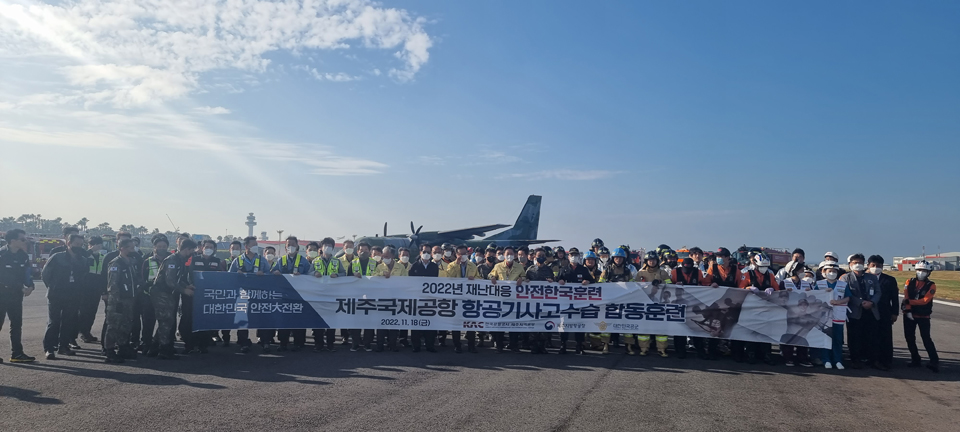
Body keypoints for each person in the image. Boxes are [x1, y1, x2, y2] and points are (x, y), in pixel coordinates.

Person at [40, 233, 88, 360]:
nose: (78, 246)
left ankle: (64, 346)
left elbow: (83, 277)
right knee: (53, 322)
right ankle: (49, 349)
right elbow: (45, 274)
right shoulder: (57, 257)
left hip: (73, 295)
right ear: (68, 243)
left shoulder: (82, 260)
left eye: (81, 244)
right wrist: (52, 287)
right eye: (76, 244)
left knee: (68, 322)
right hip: (56, 294)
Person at [150, 239, 197, 360]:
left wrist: (186, 285)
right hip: (161, 293)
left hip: (168, 293)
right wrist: (184, 290)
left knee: (166, 321)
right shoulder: (172, 260)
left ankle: (154, 347)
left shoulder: (180, 260)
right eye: (192, 250)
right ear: (186, 249)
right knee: (166, 321)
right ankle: (164, 350)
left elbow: (178, 278)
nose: (192, 253)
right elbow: (170, 281)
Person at [228, 236, 270, 353]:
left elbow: (269, 274)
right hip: (243, 294)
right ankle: (243, 342)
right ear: (246, 247)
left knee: (262, 317)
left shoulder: (262, 260)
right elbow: (229, 276)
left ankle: (265, 341)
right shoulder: (238, 260)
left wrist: (264, 274)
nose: (256, 247)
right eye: (253, 244)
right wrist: (237, 273)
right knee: (242, 318)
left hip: (259, 293)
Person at [0, 229, 37, 363]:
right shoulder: (2, 254)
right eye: (22, 239)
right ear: (12, 241)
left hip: (16, 296)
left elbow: (27, 273)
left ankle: (17, 353)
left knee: (16, 324)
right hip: (1, 294)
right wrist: (20, 287)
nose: (25, 241)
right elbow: (3, 277)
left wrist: (31, 286)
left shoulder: (23, 255)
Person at [840, 253, 882, 370]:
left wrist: (872, 302)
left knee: (872, 337)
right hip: (855, 311)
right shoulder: (845, 278)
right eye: (855, 263)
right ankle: (855, 360)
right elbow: (847, 294)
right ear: (850, 264)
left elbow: (878, 292)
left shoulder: (871, 277)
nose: (858, 265)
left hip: (871, 310)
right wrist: (860, 302)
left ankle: (873, 360)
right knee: (854, 337)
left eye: (860, 263)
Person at [736, 253, 779, 365]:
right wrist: (748, 287)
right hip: (751, 307)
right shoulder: (747, 274)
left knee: (765, 331)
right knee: (751, 331)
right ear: (755, 264)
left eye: (765, 266)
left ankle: (766, 354)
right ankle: (751, 354)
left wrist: (772, 289)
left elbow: (777, 288)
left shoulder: (770, 275)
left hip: (766, 308)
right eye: (761, 266)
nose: (764, 268)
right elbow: (740, 287)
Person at [182, 239, 222, 354]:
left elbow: (221, 277)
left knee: (206, 320)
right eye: (206, 247)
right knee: (190, 319)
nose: (208, 249)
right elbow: (187, 274)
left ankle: (203, 344)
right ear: (202, 248)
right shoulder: (193, 259)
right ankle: (189, 344)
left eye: (211, 247)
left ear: (214, 249)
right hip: (194, 295)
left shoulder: (217, 261)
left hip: (209, 296)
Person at [103, 239, 139, 363]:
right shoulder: (116, 263)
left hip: (130, 299)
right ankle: (109, 350)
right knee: (114, 325)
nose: (132, 250)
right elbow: (112, 284)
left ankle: (123, 347)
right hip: (118, 300)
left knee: (126, 324)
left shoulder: (132, 262)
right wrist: (116, 300)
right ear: (122, 248)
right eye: (130, 248)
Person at [273, 236, 311, 352]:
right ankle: (283, 343)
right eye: (288, 245)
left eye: (293, 245)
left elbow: (310, 275)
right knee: (284, 319)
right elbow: (272, 272)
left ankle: (299, 342)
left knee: (299, 319)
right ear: (285, 247)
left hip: (299, 295)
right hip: (284, 295)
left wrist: (302, 276)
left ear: (297, 247)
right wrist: (276, 272)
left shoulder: (303, 260)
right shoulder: (281, 260)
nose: (290, 247)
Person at [671, 258, 713, 359]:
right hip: (679, 304)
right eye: (685, 266)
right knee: (680, 328)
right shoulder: (674, 272)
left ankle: (700, 350)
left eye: (689, 266)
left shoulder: (697, 272)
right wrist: (674, 285)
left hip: (694, 304)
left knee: (697, 327)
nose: (688, 268)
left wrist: (710, 285)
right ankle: (680, 350)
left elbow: (704, 284)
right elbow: (668, 285)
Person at [902, 261, 939, 373]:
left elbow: (925, 301)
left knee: (926, 338)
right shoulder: (909, 282)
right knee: (909, 338)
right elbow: (906, 296)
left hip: (923, 315)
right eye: (919, 270)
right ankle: (915, 358)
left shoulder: (931, 285)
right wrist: (908, 309)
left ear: (928, 272)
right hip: (909, 314)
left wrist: (910, 302)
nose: (921, 273)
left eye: (924, 271)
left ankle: (934, 361)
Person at [133, 235, 168, 353]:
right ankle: (146, 344)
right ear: (154, 247)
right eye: (159, 246)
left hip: (166, 297)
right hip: (149, 296)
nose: (161, 248)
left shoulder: (171, 260)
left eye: (164, 246)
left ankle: (160, 344)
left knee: (165, 322)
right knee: (148, 322)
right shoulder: (147, 261)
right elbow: (141, 278)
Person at [442, 245, 480, 353]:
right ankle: (457, 345)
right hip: (456, 298)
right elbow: (448, 277)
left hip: (469, 298)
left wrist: (475, 279)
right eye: (460, 254)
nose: (462, 256)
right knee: (456, 323)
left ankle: (471, 345)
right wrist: (457, 264)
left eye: (464, 254)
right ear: (456, 254)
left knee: (470, 322)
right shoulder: (451, 265)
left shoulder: (473, 266)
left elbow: (480, 279)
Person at [488, 246, 526, 353]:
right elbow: (490, 275)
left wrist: (521, 279)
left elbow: (524, 276)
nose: (509, 256)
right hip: (500, 299)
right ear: (504, 255)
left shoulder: (519, 267)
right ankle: (499, 345)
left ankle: (513, 345)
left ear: (514, 255)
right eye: (507, 254)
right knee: (500, 323)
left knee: (513, 323)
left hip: (514, 299)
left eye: (511, 254)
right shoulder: (498, 266)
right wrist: (492, 278)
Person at [634, 251, 672, 357]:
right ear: (646, 261)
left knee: (660, 327)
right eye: (649, 260)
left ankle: (661, 349)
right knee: (644, 326)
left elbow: (670, 286)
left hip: (660, 303)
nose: (652, 262)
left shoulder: (663, 273)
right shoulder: (640, 273)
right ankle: (644, 348)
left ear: (657, 261)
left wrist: (661, 283)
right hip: (644, 303)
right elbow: (634, 286)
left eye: (654, 260)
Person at [558, 248, 595, 354]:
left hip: (580, 302)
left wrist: (588, 281)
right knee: (564, 324)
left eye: (575, 255)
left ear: (579, 257)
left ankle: (579, 345)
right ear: (568, 257)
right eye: (571, 255)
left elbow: (593, 282)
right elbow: (557, 281)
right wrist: (559, 281)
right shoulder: (564, 269)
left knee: (579, 323)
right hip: (566, 302)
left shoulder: (583, 270)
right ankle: (563, 345)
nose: (573, 257)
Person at [311, 237, 345, 352]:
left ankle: (330, 343)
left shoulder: (337, 261)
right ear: (321, 247)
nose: (327, 248)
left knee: (331, 320)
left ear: (333, 248)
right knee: (317, 320)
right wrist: (314, 273)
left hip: (332, 294)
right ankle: (318, 343)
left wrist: (338, 276)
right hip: (318, 294)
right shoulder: (315, 261)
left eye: (330, 246)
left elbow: (343, 273)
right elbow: (307, 274)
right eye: (325, 246)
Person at [597, 248, 634, 354]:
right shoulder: (607, 270)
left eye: (620, 258)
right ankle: (606, 344)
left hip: (624, 301)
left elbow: (633, 285)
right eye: (616, 258)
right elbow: (600, 284)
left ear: (624, 259)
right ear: (613, 258)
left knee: (627, 323)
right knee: (607, 322)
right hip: (610, 301)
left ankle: (628, 345)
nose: (618, 260)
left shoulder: (627, 271)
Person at [778, 264, 814, 367]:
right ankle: (788, 357)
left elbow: (813, 296)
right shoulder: (784, 282)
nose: (803, 272)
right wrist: (785, 293)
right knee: (790, 333)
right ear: (794, 271)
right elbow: (780, 297)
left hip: (803, 312)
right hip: (789, 313)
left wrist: (811, 292)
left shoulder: (807, 284)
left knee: (802, 333)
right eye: (801, 270)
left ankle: (802, 358)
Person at [374, 247, 409, 351]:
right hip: (382, 299)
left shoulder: (401, 267)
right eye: (383, 256)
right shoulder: (379, 266)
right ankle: (380, 345)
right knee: (381, 323)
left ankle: (392, 344)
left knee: (394, 322)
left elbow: (406, 281)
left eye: (387, 256)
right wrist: (381, 274)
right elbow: (373, 277)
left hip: (396, 298)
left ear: (393, 256)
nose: (384, 258)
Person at [868, 255, 898, 370]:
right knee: (871, 336)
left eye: (878, 265)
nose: (876, 267)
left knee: (885, 336)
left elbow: (894, 298)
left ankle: (886, 360)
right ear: (868, 265)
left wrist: (895, 313)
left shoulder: (889, 280)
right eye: (873, 265)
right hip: (869, 312)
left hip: (884, 312)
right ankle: (871, 359)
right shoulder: (866, 278)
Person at [75, 235, 106, 347]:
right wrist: (90, 250)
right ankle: (81, 332)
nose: (97, 246)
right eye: (94, 244)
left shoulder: (103, 256)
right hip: (86, 287)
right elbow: (80, 258)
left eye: (99, 244)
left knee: (92, 311)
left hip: (96, 287)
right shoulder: (86, 255)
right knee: (83, 311)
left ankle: (87, 331)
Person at [817, 261, 848, 370]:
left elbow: (848, 297)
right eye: (830, 271)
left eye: (834, 271)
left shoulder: (843, 284)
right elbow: (813, 297)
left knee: (837, 338)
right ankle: (826, 359)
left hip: (838, 315)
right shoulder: (819, 284)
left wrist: (838, 302)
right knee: (826, 337)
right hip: (824, 316)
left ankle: (838, 360)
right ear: (824, 272)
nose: (832, 273)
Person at [408, 245, 439, 353]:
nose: (426, 254)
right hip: (417, 299)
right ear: (420, 253)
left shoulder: (434, 267)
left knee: (430, 322)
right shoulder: (414, 266)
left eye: (428, 252)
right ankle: (416, 346)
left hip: (430, 299)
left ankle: (430, 345)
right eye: (424, 251)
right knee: (416, 323)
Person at [525, 248, 555, 355]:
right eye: (539, 255)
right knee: (533, 323)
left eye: (543, 255)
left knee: (544, 323)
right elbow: (525, 282)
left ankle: (542, 345)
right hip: (533, 302)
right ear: (534, 256)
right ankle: (533, 346)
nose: (541, 257)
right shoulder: (530, 270)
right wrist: (526, 281)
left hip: (545, 301)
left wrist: (552, 282)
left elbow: (554, 284)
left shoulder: (549, 270)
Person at [217, 240, 244, 346]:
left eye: (237, 249)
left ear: (241, 250)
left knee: (242, 317)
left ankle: (242, 340)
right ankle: (226, 338)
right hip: (227, 294)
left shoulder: (244, 261)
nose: (235, 251)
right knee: (227, 317)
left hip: (241, 294)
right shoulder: (224, 262)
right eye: (233, 249)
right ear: (229, 250)